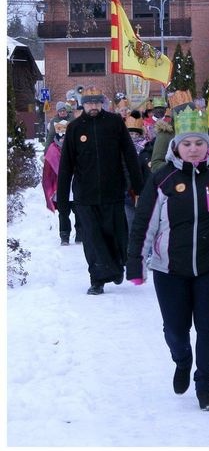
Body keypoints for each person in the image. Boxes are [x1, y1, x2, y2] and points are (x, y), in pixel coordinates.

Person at [126, 105, 209, 412]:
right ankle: (182, 359)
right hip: (170, 267)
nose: (194, 149)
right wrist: (136, 263)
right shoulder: (163, 178)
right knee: (175, 328)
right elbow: (144, 222)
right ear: (176, 146)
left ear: (207, 145)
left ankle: (205, 385)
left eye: (199, 143)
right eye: (187, 143)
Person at [57, 86, 143, 295]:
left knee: (114, 234)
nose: (93, 107)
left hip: (113, 191)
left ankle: (116, 267)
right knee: (92, 239)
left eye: (96, 103)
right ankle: (97, 279)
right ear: (82, 104)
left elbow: (130, 155)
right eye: (89, 103)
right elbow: (66, 165)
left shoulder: (114, 123)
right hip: (85, 195)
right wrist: (62, 199)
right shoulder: (75, 128)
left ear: (102, 103)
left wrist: (138, 187)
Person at [41, 120, 82, 245]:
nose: (63, 139)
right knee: (63, 213)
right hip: (60, 188)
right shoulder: (52, 150)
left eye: (65, 136)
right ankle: (64, 235)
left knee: (79, 211)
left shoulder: (75, 148)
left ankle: (80, 234)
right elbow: (48, 172)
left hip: (76, 186)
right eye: (61, 136)